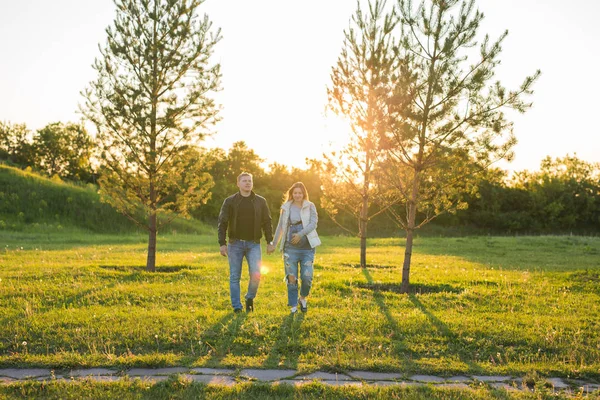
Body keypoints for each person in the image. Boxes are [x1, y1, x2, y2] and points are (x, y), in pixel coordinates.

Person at [218, 172, 275, 313]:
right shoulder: (230, 201)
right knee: (235, 276)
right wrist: (222, 243)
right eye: (244, 181)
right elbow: (222, 222)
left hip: (253, 244)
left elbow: (267, 222)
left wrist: (269, 241)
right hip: (234, 244)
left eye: (250, 180)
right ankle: (237, 307)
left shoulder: (260, 201)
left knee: (256, 274)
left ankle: (250, 297)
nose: (248, 183)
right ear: (238, 184)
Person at [272, 182, 321, 314]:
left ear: (303, 193)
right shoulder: (286, 207)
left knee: (307, 277)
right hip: (290, 248)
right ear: (292, 194)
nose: (298, 195)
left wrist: (300, 234)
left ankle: (302, 298)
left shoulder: (310, 206)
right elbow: (280, 227)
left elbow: (313, 224)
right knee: (291, 277)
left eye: (300, 193)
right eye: (295, 193)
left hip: (307, 248)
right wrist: (273, 243)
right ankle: (293, 304)